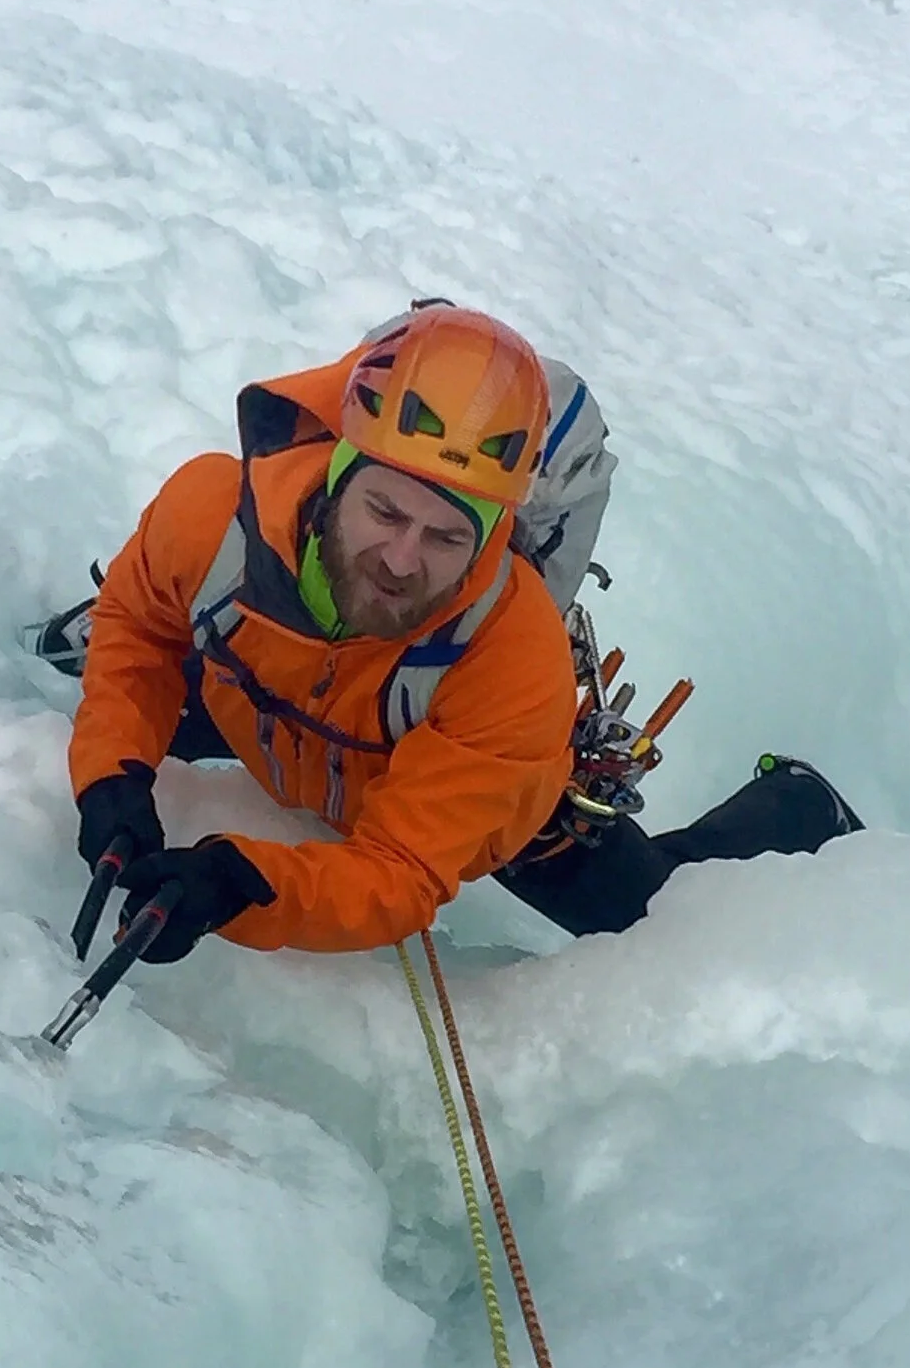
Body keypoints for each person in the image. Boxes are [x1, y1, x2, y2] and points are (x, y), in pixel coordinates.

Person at [55, 303, 861, 964]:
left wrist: (244, 883)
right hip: (267, 695)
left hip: (457, 782)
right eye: (385, 511)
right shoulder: (211, 520)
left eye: (447, 537)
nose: (401, 559)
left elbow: (400, 870)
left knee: (655, 915)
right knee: (116, 662)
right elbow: (139, 627)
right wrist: (111, 779)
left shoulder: (512, 660)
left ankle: (795, 806)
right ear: (338, 471)